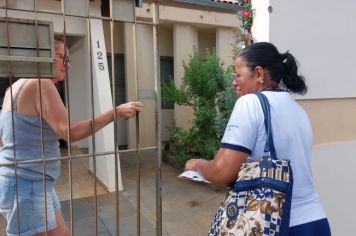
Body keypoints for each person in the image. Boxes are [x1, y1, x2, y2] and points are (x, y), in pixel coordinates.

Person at [0, 35, 143, 236]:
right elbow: (69, 132)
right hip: (27, 183)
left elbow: (5, 138)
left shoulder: (13, 88)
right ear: (44, 56)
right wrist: (116, 112)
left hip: (28, 180)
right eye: (62, 58)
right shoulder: (41, 84)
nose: (67, 65)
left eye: (68, 59)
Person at [185, 42, 331, 235]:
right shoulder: (298, 110)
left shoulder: (250, 103)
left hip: (275, 224)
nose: (233, 82)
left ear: (259, 74)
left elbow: (221, 172)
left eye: (238, 75)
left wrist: (196, 164)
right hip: (315, 222)